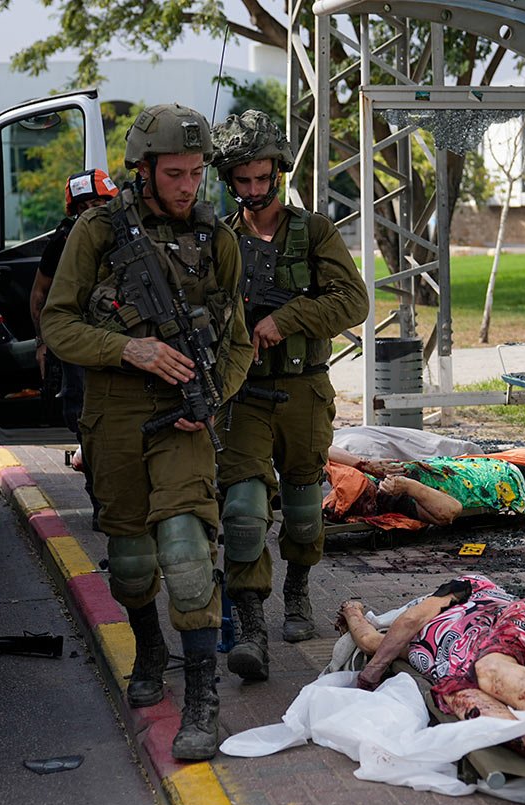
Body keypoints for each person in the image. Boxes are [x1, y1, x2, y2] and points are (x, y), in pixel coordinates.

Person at [40, 104, 254, 761]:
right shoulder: (98, 233)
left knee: (189, 559)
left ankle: (202, 707)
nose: (189, 186)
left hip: (185, 420)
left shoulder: (216, 238)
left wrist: (212, 394)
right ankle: (148, 644)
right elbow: (57, 323)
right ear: (144, 169)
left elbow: (238, 341)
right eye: (175, 174)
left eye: (196, 173)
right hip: (116, 416)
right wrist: (126, 350)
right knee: (133, 568)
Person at [207, 109, 369, 682]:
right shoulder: (219, 237)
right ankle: (251, 624)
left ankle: (297, 590)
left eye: (262, 179)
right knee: (245, 512)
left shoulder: (313, 231)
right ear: (229, 180)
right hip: (243, 394)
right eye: (242, 181)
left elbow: (354, 303)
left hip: (303, 391)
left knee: (303, 511)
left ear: (277, 171)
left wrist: (287, 317)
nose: (254, 192)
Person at [335, 575, 525, 768]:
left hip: (521, 629)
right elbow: (369, 640)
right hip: (483, 677)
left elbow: (410, 620)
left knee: (489, 667)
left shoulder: (467, 589)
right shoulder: (411, 646)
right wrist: (352, 611)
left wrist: (366, 680)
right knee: (454, 694)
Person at [30, 169, 119, 520]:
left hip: (123, 342)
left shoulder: (129, 234)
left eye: (99, 202)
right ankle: (102, 503)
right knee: (84, 419)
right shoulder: (65, 240)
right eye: (84, 205)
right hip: (78, 344)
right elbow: (40, 292)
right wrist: (43, 343)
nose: (92, 210)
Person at [324, 446, 525, 527]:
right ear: (366, 504)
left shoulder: (371, 477)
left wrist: (363, 464)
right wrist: (408, 486)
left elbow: (322, 448)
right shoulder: (394, 498)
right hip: (501, 481)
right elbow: (450, 511)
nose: (368, 485)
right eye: (365, 490)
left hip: (474, 466)